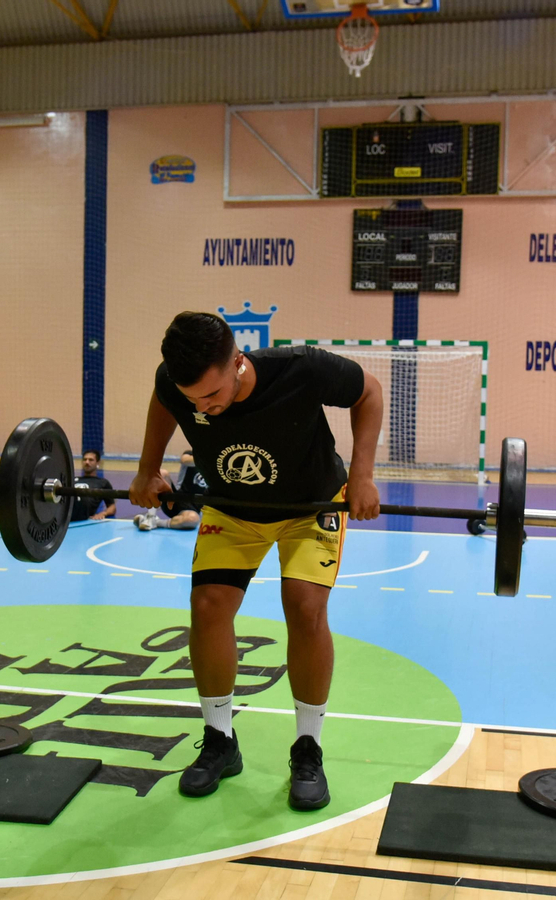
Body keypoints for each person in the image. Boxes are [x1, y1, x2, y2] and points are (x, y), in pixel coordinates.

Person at [129, 312, 383, 811]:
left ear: (238, 363)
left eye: (212, 394)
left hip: (311, 506)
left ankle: (307, 748)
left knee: (305, 607)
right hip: (234, 508)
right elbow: (164, 401)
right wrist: (146, 469)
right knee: (208, 607)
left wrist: (363, 475)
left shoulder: (302, 369)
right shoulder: (176, 384)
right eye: (193, 400)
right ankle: (220, 740)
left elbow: (368, 392)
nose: (202, 408)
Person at [134, 449, 206, 531]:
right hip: (176, 500)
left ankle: (156, 522)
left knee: (192, 519)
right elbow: (184, 460)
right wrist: (208, 459)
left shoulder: (216, 465)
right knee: (162, 473)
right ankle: (150, 516)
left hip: (195, 508)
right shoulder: (190, 454)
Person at [69, 448, 116, 522]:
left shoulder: (103, 483)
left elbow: (112, 507)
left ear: (98, 463)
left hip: (83, 520)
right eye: (85, 459)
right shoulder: (72, 480)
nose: (87, 462)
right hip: (66, 518)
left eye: (91, 460)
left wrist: (103, 514)